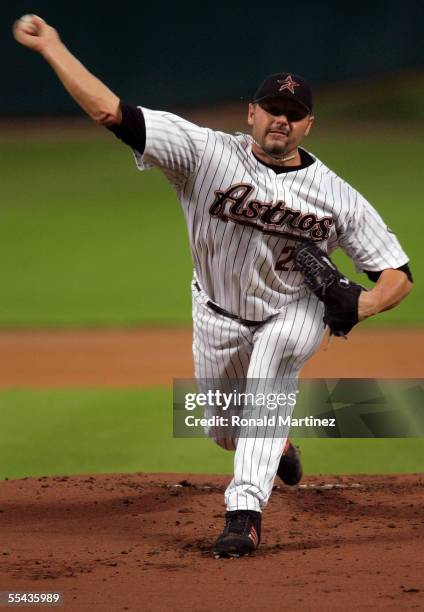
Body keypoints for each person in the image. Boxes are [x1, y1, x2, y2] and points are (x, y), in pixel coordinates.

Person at [14, 15, 413, 558]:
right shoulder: (203, 153)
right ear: (251, 113)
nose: (281, 121)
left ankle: (243, 516)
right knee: (224, 429)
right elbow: (111, 111)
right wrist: (53, 47)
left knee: (274, 364)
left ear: (309, 126)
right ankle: (278, 444)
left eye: (294, 116)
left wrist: (361, 305)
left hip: (294, 310)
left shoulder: (336, 196)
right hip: (216, 313)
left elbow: (398, 275)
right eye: (273, 110)